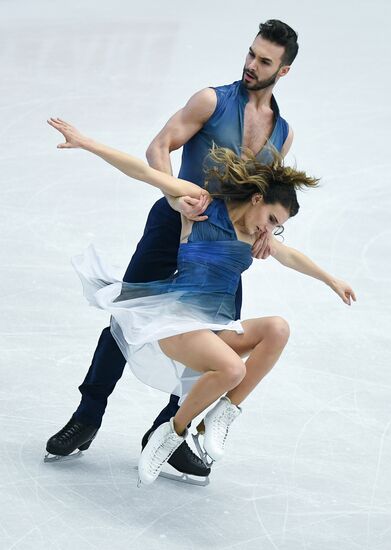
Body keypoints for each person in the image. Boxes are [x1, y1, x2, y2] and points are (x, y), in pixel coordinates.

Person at [46, 19, 300, 482]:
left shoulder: (282, 133)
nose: (250, 64)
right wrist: (172, 197)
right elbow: (158, 147)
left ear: (282, 71)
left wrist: (266, 235)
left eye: (264, 60)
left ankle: (167, 433)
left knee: (212, 340)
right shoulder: (211, 100)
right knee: (128, 318)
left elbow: (267, 198)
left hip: (221, 251)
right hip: (173, 227)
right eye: (250, 53)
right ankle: (87, 416)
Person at [46, 116, 356, 486]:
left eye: (278, 226)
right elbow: (144, 172)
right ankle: (166, 434)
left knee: (278, 329)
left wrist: (331, 279)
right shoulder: (201, 205)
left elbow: (292, 257)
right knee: (230, 369)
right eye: (271, 218)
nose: (270, 230)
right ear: (257, 198)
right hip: (176, 321)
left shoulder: (259, 237)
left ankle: (222, 413)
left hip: (210, 326)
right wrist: (87, 142)